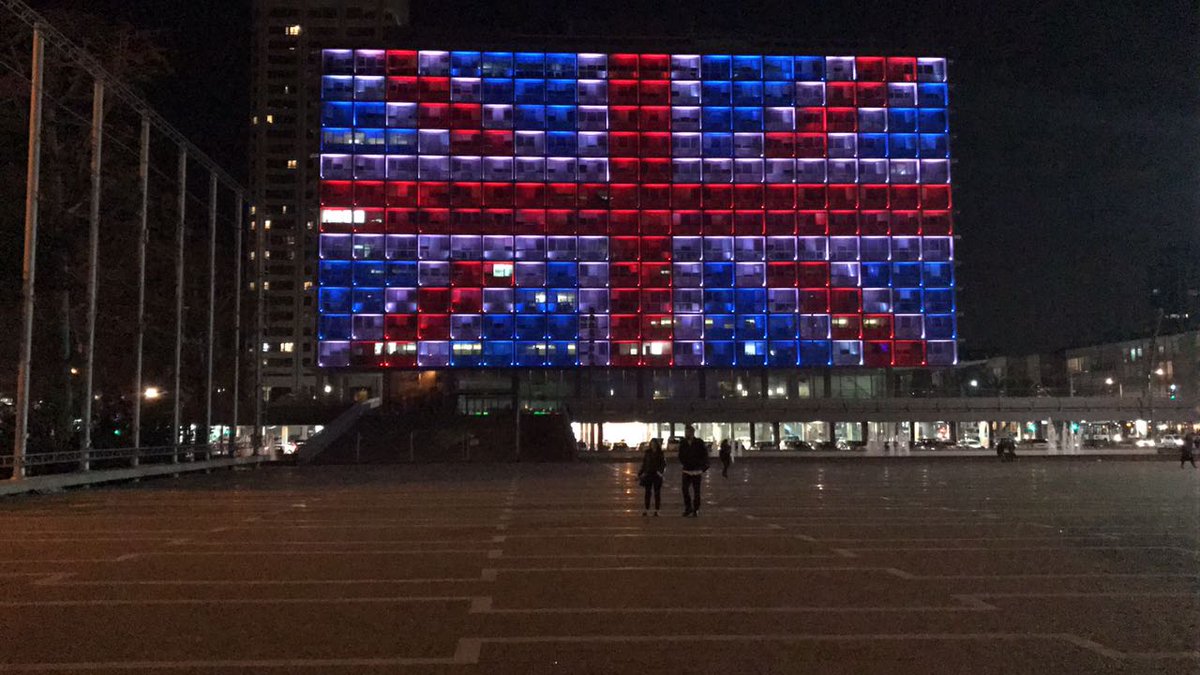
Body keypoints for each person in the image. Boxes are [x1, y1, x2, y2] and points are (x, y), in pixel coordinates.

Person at [677, 424, 709, 517]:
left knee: (696, 491)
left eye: (688, 432)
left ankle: (696, 509)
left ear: (692, 432)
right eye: (686, 432)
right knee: (685, 489)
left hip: (696, 471)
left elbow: (704, 455)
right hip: (686, 470)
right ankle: (688, 508)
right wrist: (684, 462)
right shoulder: (683, 443)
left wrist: (702, 467)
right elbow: (680, 455)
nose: (687, 433)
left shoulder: (699, 442)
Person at [637, 438, 667, 516]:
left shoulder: (660, 453)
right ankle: (646, 509)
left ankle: (657, 510)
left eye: (654, 443)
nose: (653, 445)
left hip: (657, 475)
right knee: (647, 493)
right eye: (652, 443)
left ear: (657, 444)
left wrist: (660, 472)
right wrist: (640, 474)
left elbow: (663, 464)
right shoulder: (647, 453)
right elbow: (644, 464)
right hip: (648, 474)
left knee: (657, 493)